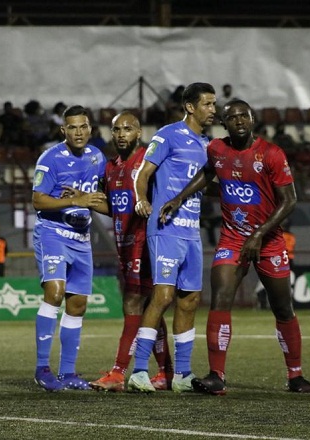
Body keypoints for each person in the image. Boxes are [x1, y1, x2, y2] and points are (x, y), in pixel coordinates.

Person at [161, 99, 310, 395]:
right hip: (232, 239)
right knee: (220, 299)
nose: (239, 121)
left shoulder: (271, 153)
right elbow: (207, 174)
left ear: (252, 118)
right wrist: (180, 197)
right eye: (232, 118)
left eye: (244, 115)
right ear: (224, 123)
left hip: (268, 241)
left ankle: (295, 375)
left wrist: (259, 234)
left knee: (283, 308)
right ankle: (216, 375)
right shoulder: (217, 149)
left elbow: (289, 201)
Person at [127, 82, 217, 393]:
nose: (213, 110)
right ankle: (139, 370)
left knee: (190, 300)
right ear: (190, 107)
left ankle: (182, 374)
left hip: (191, 230)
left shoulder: (207, 144)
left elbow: (204, 184)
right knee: (163, 296)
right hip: (165, 227)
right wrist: (142, 199)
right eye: (207, 104)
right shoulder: (168, 134)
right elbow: (143, 173)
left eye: (214, 104)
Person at [85, 111, 173, 392]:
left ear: (138, 132)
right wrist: (84, 200)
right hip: (124, 244)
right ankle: (166, 372)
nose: (121, 134)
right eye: (116, 130)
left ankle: (118, 372)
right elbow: (115, 208)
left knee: (132, 304)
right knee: (150, 310)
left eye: (127, 129)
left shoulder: (149, 161)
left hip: (145, 244)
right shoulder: (111, 167)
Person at [31, 105, 107, 391]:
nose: (78, 132)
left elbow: (99, 197)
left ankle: (68, 373)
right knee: (55, 292)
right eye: (72, 127)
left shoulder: (97, 157)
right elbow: (38, 200)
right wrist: (76, 201)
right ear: (63, 130)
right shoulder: (50, 158)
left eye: (83, 126)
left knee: (78, 304)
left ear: (90, 129)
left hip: (81, 239)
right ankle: (42, 368)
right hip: (52, 233)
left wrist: (91, 200)